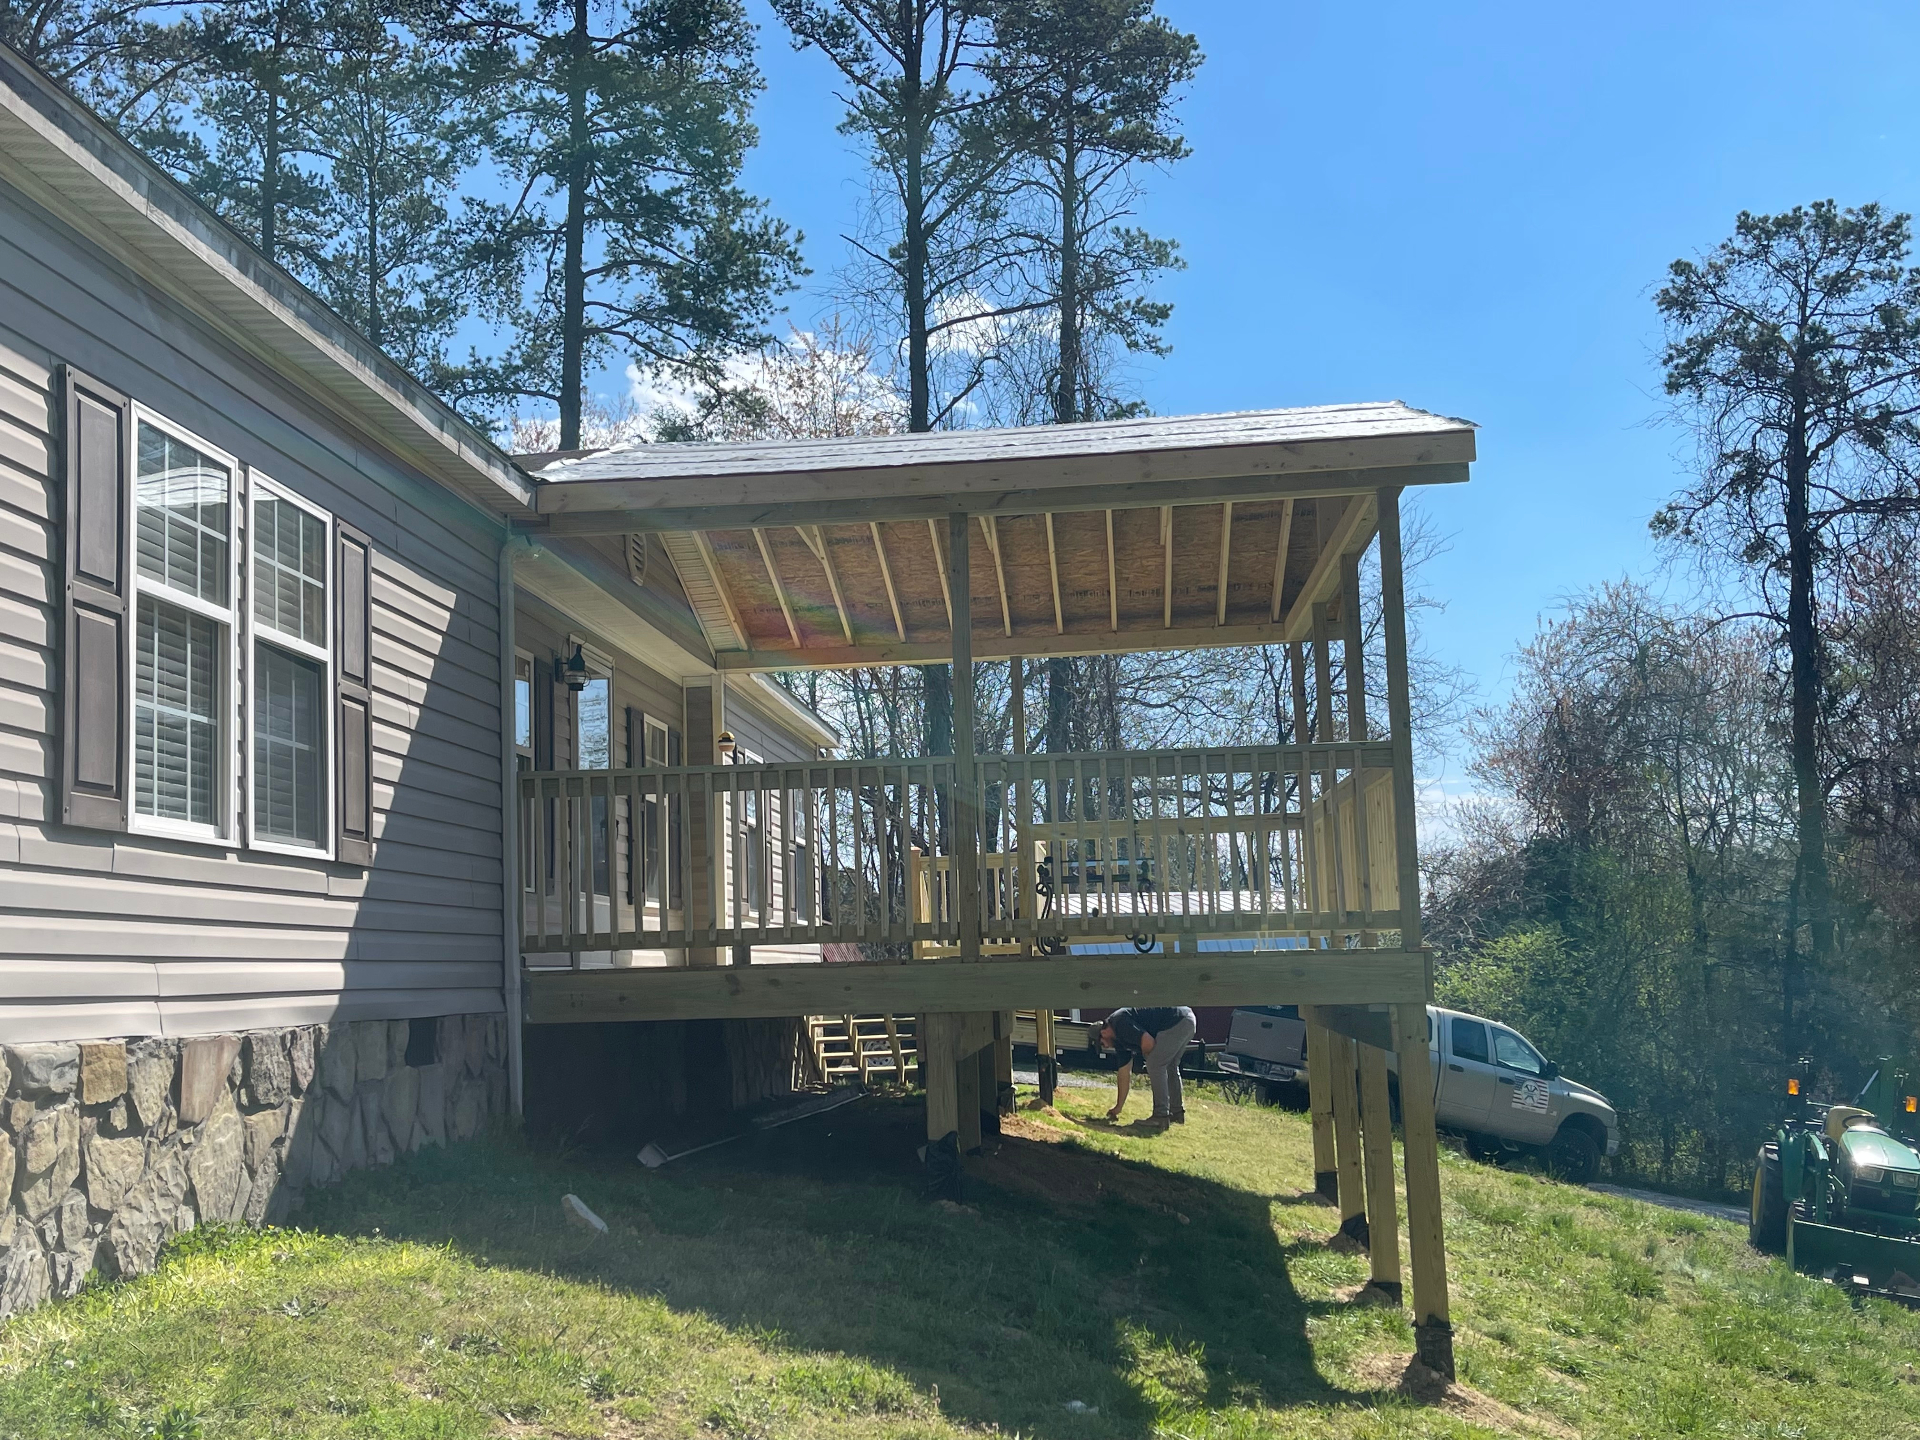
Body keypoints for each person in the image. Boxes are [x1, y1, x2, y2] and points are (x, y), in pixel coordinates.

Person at [1100, 1006, 1197, 1128]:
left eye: (1102, 1044)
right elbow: (1124, 1073)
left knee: (1155, 1064)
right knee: (1170, 1066)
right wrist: (1118, 1107)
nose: (1106, 1047)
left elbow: (1148, 1042)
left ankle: (1160, 1116)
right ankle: (1176, 1114)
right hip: (1186, 1019)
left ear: (1103, 1033)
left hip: (1176, 1020)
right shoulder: (1118, 1038)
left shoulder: (1119, 1023)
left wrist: (1149, 1057)